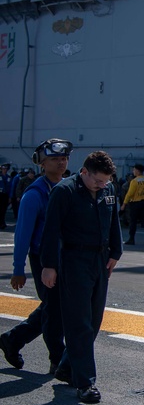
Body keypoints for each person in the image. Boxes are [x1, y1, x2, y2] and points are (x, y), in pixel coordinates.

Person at [40, 151, 123, 403]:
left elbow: (114, 221)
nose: (102, 185)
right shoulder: (64, 192)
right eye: (98, 180)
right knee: (79, 323)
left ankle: (67, 366)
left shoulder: (107, 190)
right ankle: (85, 382)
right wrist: (49, 266)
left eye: (106, 181)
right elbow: (51, 230)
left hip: (100, 260)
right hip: (74, 261)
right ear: (84, 172)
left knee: (94, 320)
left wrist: (116, 252)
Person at [0, 140, 73, 375]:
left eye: (64, 158)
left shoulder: (67, 188)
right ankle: (57, 358)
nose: (61, 162)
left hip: (66, 257)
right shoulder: (35, 194)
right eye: (54, 159)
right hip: (43, 258)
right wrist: (18, 269)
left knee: (55, 307)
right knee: (55, 309)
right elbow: (22, 235)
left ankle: (12, 339)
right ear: (42, 164)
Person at [121, 164, 144, 246]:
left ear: (138, 171)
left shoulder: (134, 181)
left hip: (135, 203)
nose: (133, 171)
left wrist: (124, 204)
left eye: (134, 170)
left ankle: (131, 239)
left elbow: (129, 193)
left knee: (133, 221)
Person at [0, 163, 13, 229]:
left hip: (5, 195)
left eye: (5, 169)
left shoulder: (9, 178)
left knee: (3, 209)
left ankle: (2, 222)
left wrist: (10, 196)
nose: (4, 170)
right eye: (3, 169)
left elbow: (11, 187)